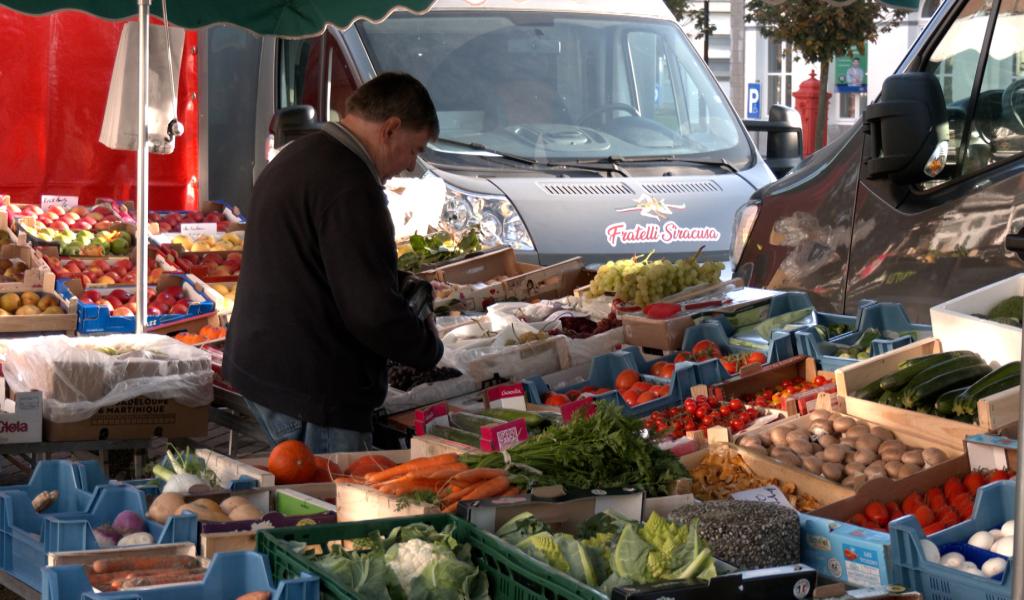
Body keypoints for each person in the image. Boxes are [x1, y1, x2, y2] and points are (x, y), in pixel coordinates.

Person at [223, 72, 444, 452]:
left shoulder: (299, 154)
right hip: (314, 388)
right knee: (333, 503)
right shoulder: (351, 185)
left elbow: (320, 263)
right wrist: (428, 349)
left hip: (265, 368)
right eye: (415, 149)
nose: (411, 166)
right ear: (390, 129)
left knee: (304, 500)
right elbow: (372, 311)